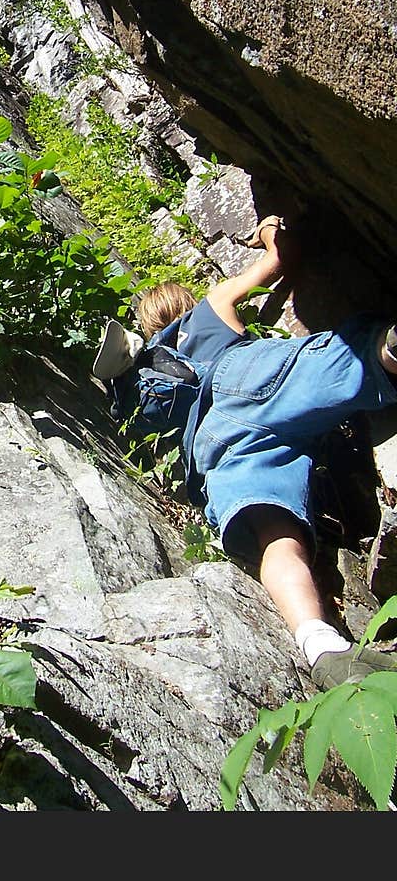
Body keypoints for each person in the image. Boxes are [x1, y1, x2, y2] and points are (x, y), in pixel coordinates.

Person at [129, 216, 397, 689]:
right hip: (241, 376)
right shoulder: (208, 308)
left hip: (208, 446)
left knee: (275, 532)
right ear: (182, 303)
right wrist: (268, 232)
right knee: (341, 359)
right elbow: (278, 261)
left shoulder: (150, 367)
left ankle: (319, 644)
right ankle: (389, 350)